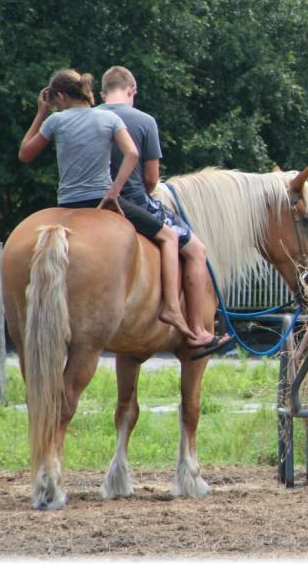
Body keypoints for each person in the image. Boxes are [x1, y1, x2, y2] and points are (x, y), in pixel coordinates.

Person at [18, 68, 224, 354]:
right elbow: (134, 155)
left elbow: (25, 154)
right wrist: (114, 190)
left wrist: (42, 113)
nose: (56, 105)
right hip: (101, 201)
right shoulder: (108, 118)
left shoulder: (55, 121)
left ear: (60, 96)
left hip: (67, 203)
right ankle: (173, 310)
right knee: (167, 237)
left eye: (55, 101)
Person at [97, 65, 230, 354]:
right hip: (132, 201)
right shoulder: (144, 121)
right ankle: (197, 330)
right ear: (132, 91)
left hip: (88, 202)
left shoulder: (89, 117)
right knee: (195, 250)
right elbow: (151, 179)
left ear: (103, 92)